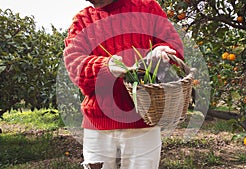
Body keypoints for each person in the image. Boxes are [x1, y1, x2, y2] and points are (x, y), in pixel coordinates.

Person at [63, 0, 184, 168]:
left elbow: (173, 43)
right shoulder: (82, 21)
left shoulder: (147, 7)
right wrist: (105, 67)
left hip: (143, 124)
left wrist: (161, 50)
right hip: (98, 126)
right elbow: (74, 64)